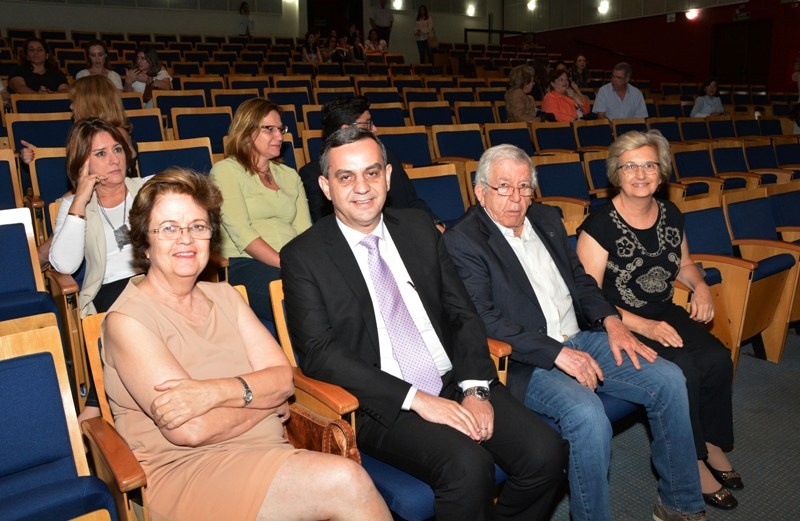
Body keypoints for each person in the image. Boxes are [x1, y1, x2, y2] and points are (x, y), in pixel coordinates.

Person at [281, 127, 568, 521]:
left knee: (546, 453)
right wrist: (416, 399)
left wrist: (476, 389)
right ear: (325, 187)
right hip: (382, 401)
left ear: (388, 177)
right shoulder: (304, 256)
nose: (362, 187)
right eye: (345, 176)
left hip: (454, 378)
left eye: (372, 172)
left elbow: (462, 314)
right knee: (468, 466)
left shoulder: (419, 228)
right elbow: (318, 354)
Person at [102, 168, 391, 521]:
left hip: (269, 452)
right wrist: (266, 405)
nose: (186, 240)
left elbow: (283, 379)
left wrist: (212, 394)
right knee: (348, 482)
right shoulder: (127, 321)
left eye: (197, 226)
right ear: (144, 243)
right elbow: (189, 430)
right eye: (168, 228)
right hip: (189, 473)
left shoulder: (226, 296)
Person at [444, 143, 710, 521]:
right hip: (524, 360)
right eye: (504, 187)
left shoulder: (547, 220)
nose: (516, 199)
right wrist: (557, 354)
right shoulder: (464, 239)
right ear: (480, 190)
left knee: (669, 378)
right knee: (587, 415)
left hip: (580, 337)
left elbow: (583, 283)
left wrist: (612, 322)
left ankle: (680, 505)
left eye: (524, 187)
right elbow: (483, 319)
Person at [576, 130, 741, 512]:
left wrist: (700, 287)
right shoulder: (598, 226)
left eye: (649, 164)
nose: (640, 173)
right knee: (682, 370)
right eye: (630, 165)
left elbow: (683, 264)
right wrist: (643, 326)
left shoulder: (671, 214)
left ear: (661, 171)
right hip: (619, 323)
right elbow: (589, 299)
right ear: (616, 173)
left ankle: (712, 443)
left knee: (717, 359)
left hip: (664, 311)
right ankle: (693, 461)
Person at [209, 98, 311, 324]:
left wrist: (308, 265)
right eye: (270, 129)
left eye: (281, 129)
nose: (279, 136)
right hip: (247, 264)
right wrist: (290, 265)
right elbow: (242, 233)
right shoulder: (226, 171)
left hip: (293, 262)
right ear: (246, 131)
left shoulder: (289, 175)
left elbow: (304, 230)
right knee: (302, 297)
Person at [298, 96, 442, 229]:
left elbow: (412, 200)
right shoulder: (313, 174)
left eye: (372, 173)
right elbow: (328, 225)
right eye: (368, 124)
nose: (374, 129)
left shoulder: (387, 157)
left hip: (409, 230)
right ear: (346, 130)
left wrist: (434, 223)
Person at [50, 118, 142, 319]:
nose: (115, 160)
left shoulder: (148, 190)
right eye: (101, 153)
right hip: (111, 290)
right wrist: (80, 200)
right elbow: (65, 265)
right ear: (83, 163)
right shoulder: (74, 206)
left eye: (117, 149)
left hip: (156, 280)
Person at [19, 75, 138, 173]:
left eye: (74, 102)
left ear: (90, 104)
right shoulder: (82, 133)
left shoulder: (117, 134)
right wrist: (38, 157)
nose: (71, 106)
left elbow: (120, 167)